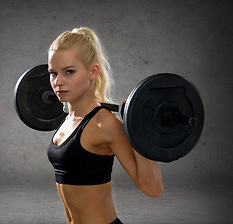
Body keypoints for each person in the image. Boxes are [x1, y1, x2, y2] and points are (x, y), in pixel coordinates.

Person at [47, 27, 164, 224]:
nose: (58, 82)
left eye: (69, 72)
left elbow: (153, 189)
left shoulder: (105, 124)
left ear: (93, 72)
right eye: (53, 73)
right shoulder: (67, 120)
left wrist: (140, 131)